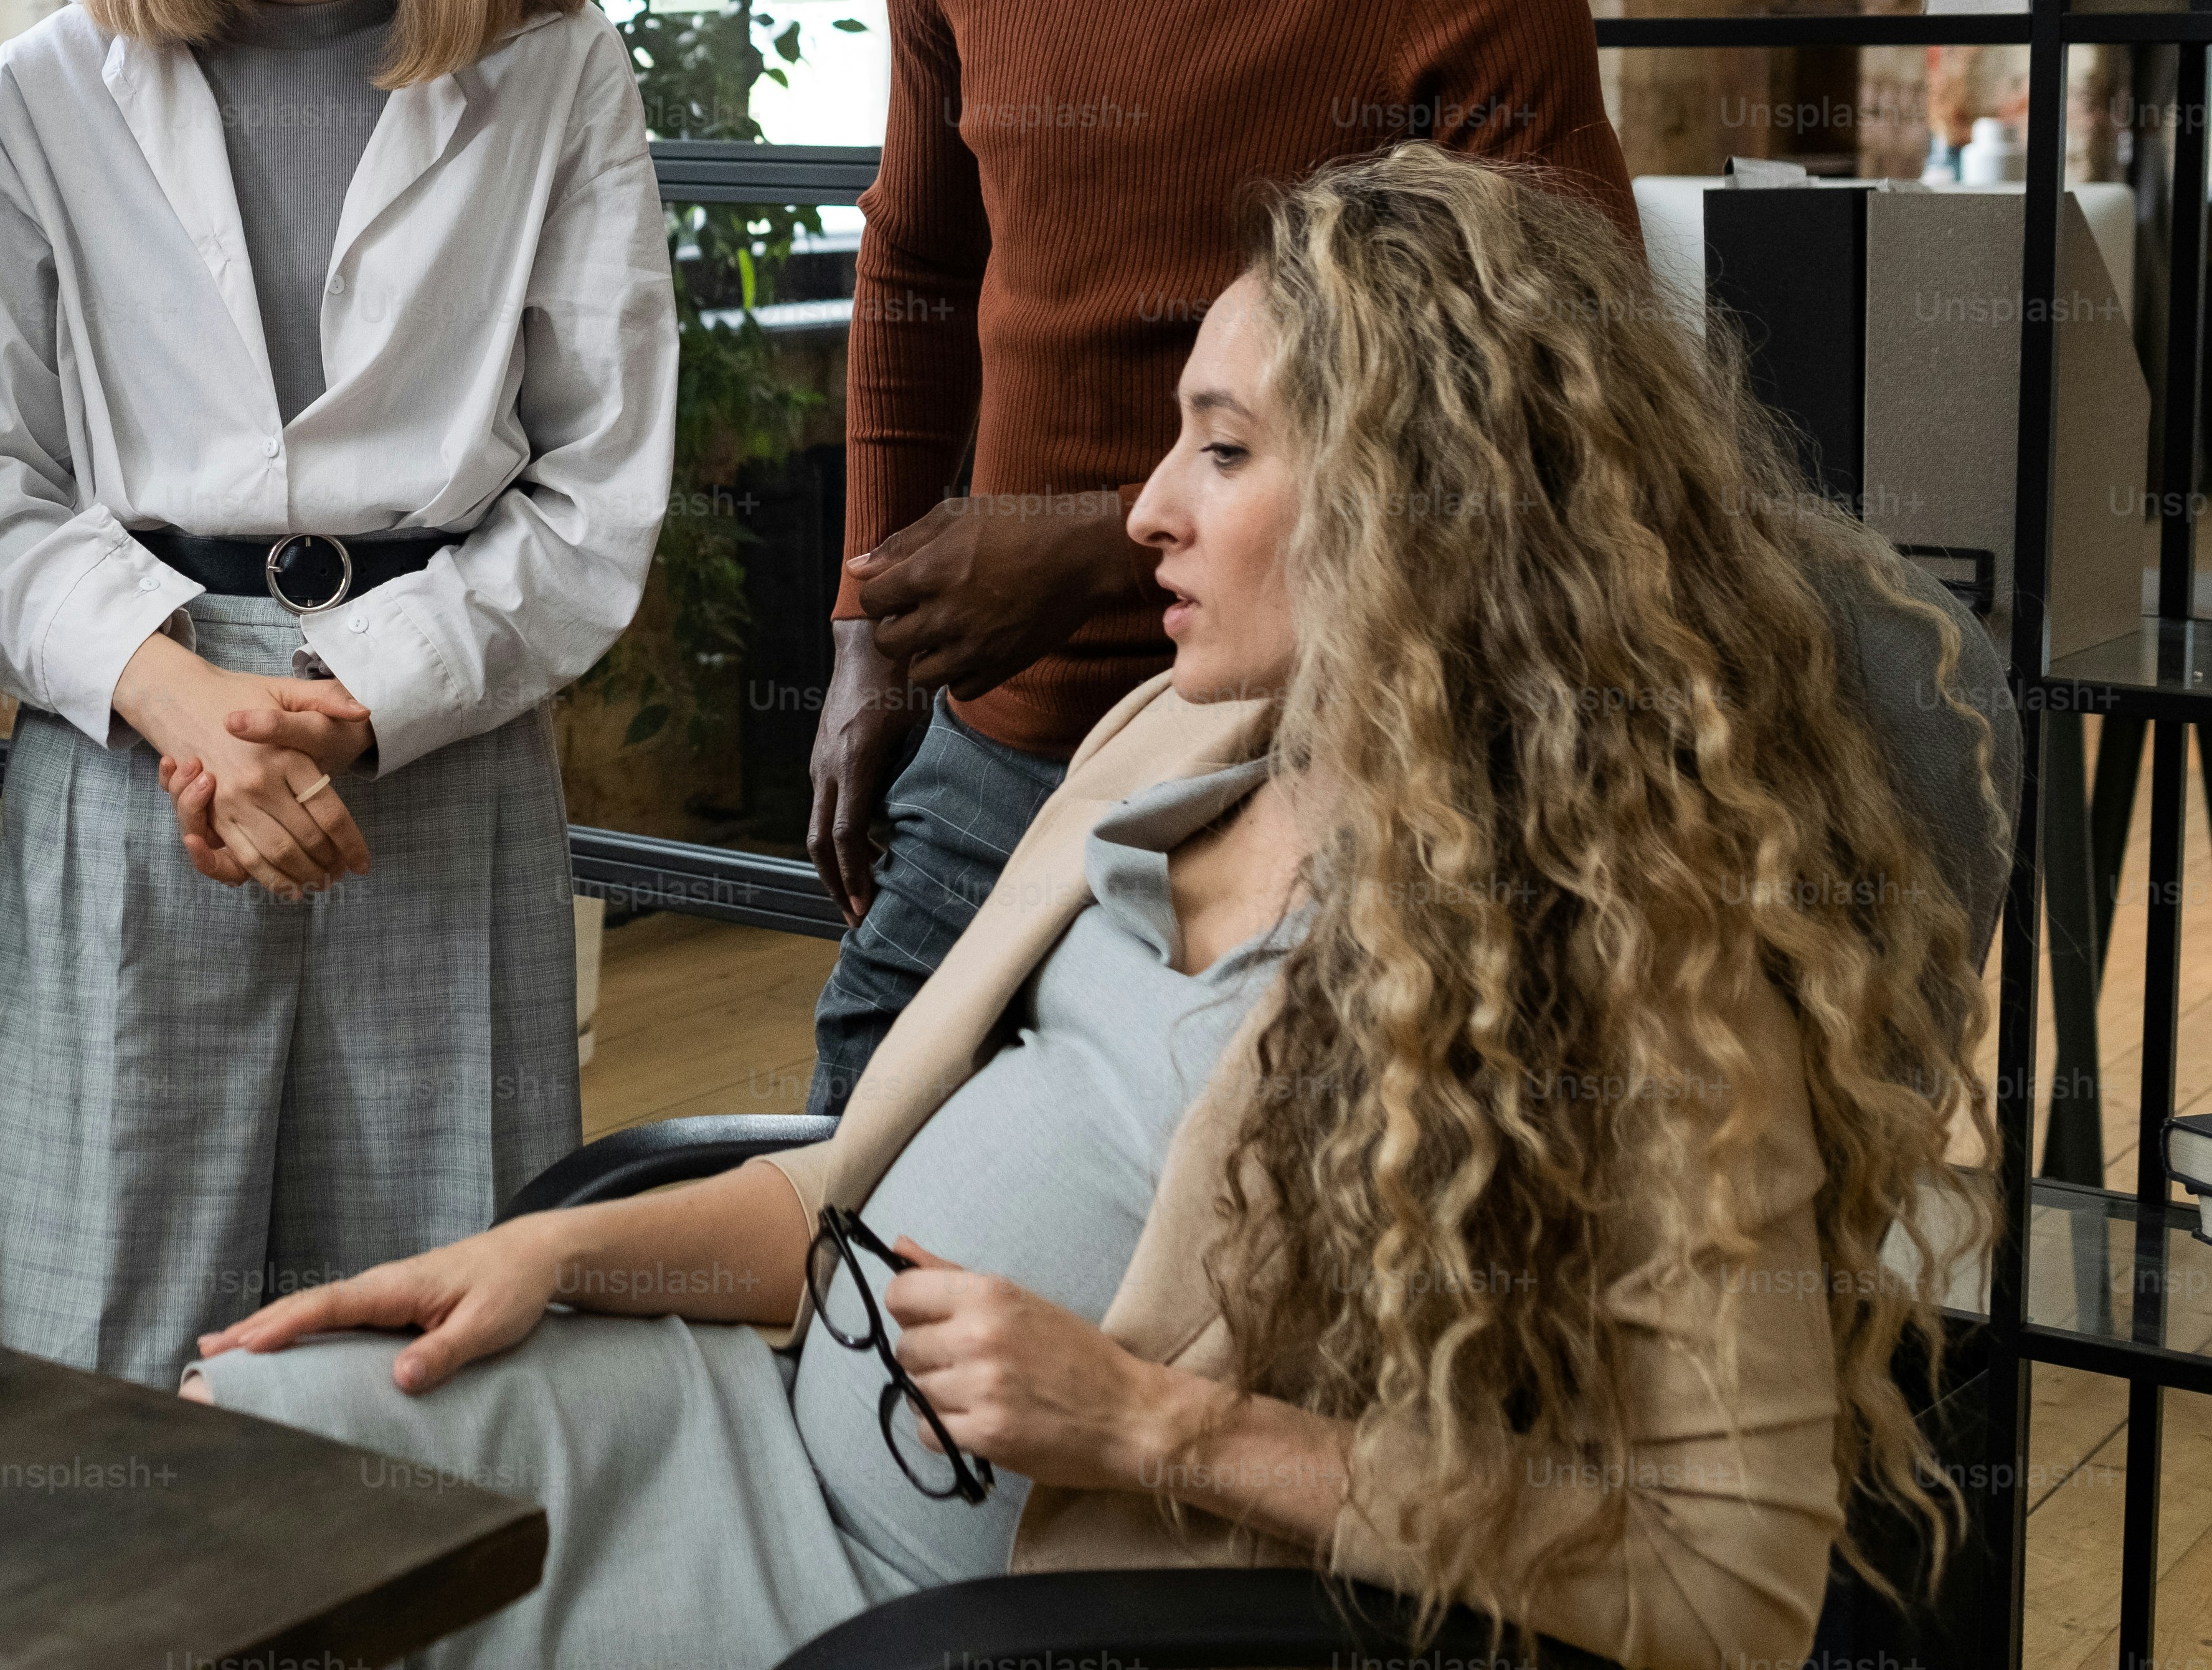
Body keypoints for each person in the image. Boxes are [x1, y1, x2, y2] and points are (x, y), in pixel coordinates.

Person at [186, 144, 1995, 1670]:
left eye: (1222, 450)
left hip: (991, 1619)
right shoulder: (1167, 743)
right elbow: (843, 1202)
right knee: (259, 1451)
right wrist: (552, 1256)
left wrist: (1164, 1430)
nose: (1143, 512)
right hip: (739, 1430)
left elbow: (1729, 1586)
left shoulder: (1622, 960)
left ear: (1422, 502)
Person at [800, 0, 1645, 1109]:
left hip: (1325, 764)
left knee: (1185, 1279)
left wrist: (1100, 546)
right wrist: (869, 639)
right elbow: (919, 268)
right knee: (845, 1209)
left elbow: (1540, 441)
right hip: (1004, 737)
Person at [0, 0, 675, 1388]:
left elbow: (598, 489)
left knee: (427, 1355)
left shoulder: (553, 70)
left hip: (435, 745)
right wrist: (190, 709)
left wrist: (348, 705)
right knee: (106, 1360)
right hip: (138, 730)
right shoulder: (43, 97)